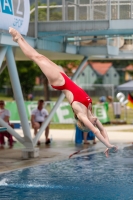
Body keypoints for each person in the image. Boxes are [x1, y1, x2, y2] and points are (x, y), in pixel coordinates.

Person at [9, 27, 117, 157]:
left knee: (37, 58)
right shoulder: (90, 111)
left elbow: (96, 131)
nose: (96, 121)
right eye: (95, 122)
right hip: (63, 77)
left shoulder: (82, 114)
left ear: (86, 122)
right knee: (40, 56)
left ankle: (17, 38)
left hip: (59, 82)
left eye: (93, 123)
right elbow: (102, 130)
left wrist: (107, 145)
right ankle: (19, 38)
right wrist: (108, 144)